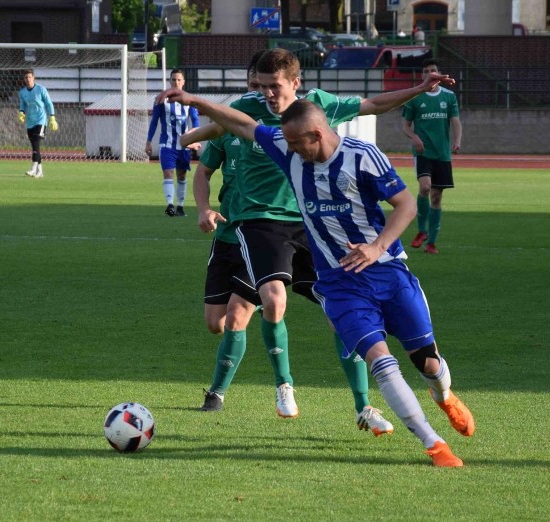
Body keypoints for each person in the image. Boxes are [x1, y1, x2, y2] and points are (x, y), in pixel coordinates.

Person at [161, 91, 475, 467]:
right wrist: (196, 101)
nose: (288, 150)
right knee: (380, 358)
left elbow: (406, 205)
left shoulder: (363, 156)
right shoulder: (287, 147)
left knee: (428, 362)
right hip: (341, 285)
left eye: (296, 143)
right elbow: (245, 125)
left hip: (389, 273)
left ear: (317, 134)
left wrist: (376, 247)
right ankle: (434, 444)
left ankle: (443, 396)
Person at [193, 55, 394, 436]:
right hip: (248, 228)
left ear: (295, 83)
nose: (266, 92)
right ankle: (272, 385)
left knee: (340, 311)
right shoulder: (243, 113)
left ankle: (363, 406)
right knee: (236, 315)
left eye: (274, 85)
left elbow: (374, 103)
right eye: (260, 84)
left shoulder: (319, 108)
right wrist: (203, 199)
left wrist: (418, 91)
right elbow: (215, 139)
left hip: (306, 226)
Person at [402, 59, 462, 254]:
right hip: (423, 152)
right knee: (425, 187)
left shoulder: (449, 96)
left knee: (436, 197)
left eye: (433, 70)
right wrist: (415, 138)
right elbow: (406, 126)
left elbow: (456, 121)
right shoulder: (415, 98)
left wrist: (458, 140)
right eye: (426, 71)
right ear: (422, 75)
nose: (430, 73)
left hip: (442, 154)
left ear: (439, 72)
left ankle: (431, 242)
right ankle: (421, 231)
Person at [146, 69, 200, 217]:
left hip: (184, 146)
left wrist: (195, 137)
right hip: (167, 144)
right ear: (170, 81)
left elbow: (195, 120)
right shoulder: (161, 100)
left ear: (183, 82)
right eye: (173, 80)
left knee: (181, 176)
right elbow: (154, 121)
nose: (175, 82)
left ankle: (180, 207)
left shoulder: (189, 100)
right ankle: (170, 205)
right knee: (168, 173)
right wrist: (149, 141)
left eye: (178, 80)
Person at [18, 70, 57, 178]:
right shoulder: (22, 92)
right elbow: (22, 106)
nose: (28, 79)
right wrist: (21, 113)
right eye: (26, 77)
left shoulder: (41, 89)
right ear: (24, 79)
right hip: (30, 122)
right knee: (35, 147)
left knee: (36, 144)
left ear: (33, 78)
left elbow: (49, 103)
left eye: (30, 77)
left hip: (41, 120)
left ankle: (33, 169)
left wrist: (52, 117)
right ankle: (40, 172)